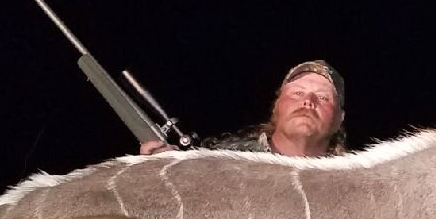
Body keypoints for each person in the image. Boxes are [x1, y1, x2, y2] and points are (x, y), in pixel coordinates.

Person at [138, 60, 347, 158]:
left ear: (340, 119)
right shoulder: (218, 159)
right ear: (276, 107)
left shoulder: (350, 181)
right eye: (297, 93)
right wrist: (157, 168)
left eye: (322, 97)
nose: (308, 101)